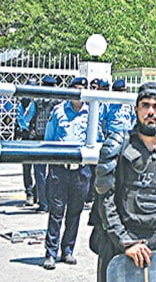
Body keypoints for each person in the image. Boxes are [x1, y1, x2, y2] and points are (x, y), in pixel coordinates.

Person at [91, 82, 156, 282]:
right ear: (136, 109)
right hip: (119, 245)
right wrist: (126, 242)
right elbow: (104, 200)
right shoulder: (117, 146)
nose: (150, 112)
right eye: (145, 105)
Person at [42, 76, 102, 270]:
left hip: (81, 171)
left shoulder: (91, 113)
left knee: (74, 213)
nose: (79, 94)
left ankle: (67, 250)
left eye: (82, 89)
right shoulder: (58, 111)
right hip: (60, 169)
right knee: (56, 212)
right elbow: (48, 139)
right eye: (76, 89)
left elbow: (98, 138)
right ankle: (50, 253)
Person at [34, 75, 60, 212]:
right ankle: (51, 202)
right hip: (54, 141)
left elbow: (31, 119)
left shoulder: (37, 100)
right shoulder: (59, 102)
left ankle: (43, 203)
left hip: (39, 139)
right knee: (53, 174)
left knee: (40, 174)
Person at [16, 79, 38, 206]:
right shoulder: (22, 102)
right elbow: (19, 117)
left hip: (36, 136)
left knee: (39, 168)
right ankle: (29, 192)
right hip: (25, 136)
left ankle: (36, 191)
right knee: (26, 167)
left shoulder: (38, 103)